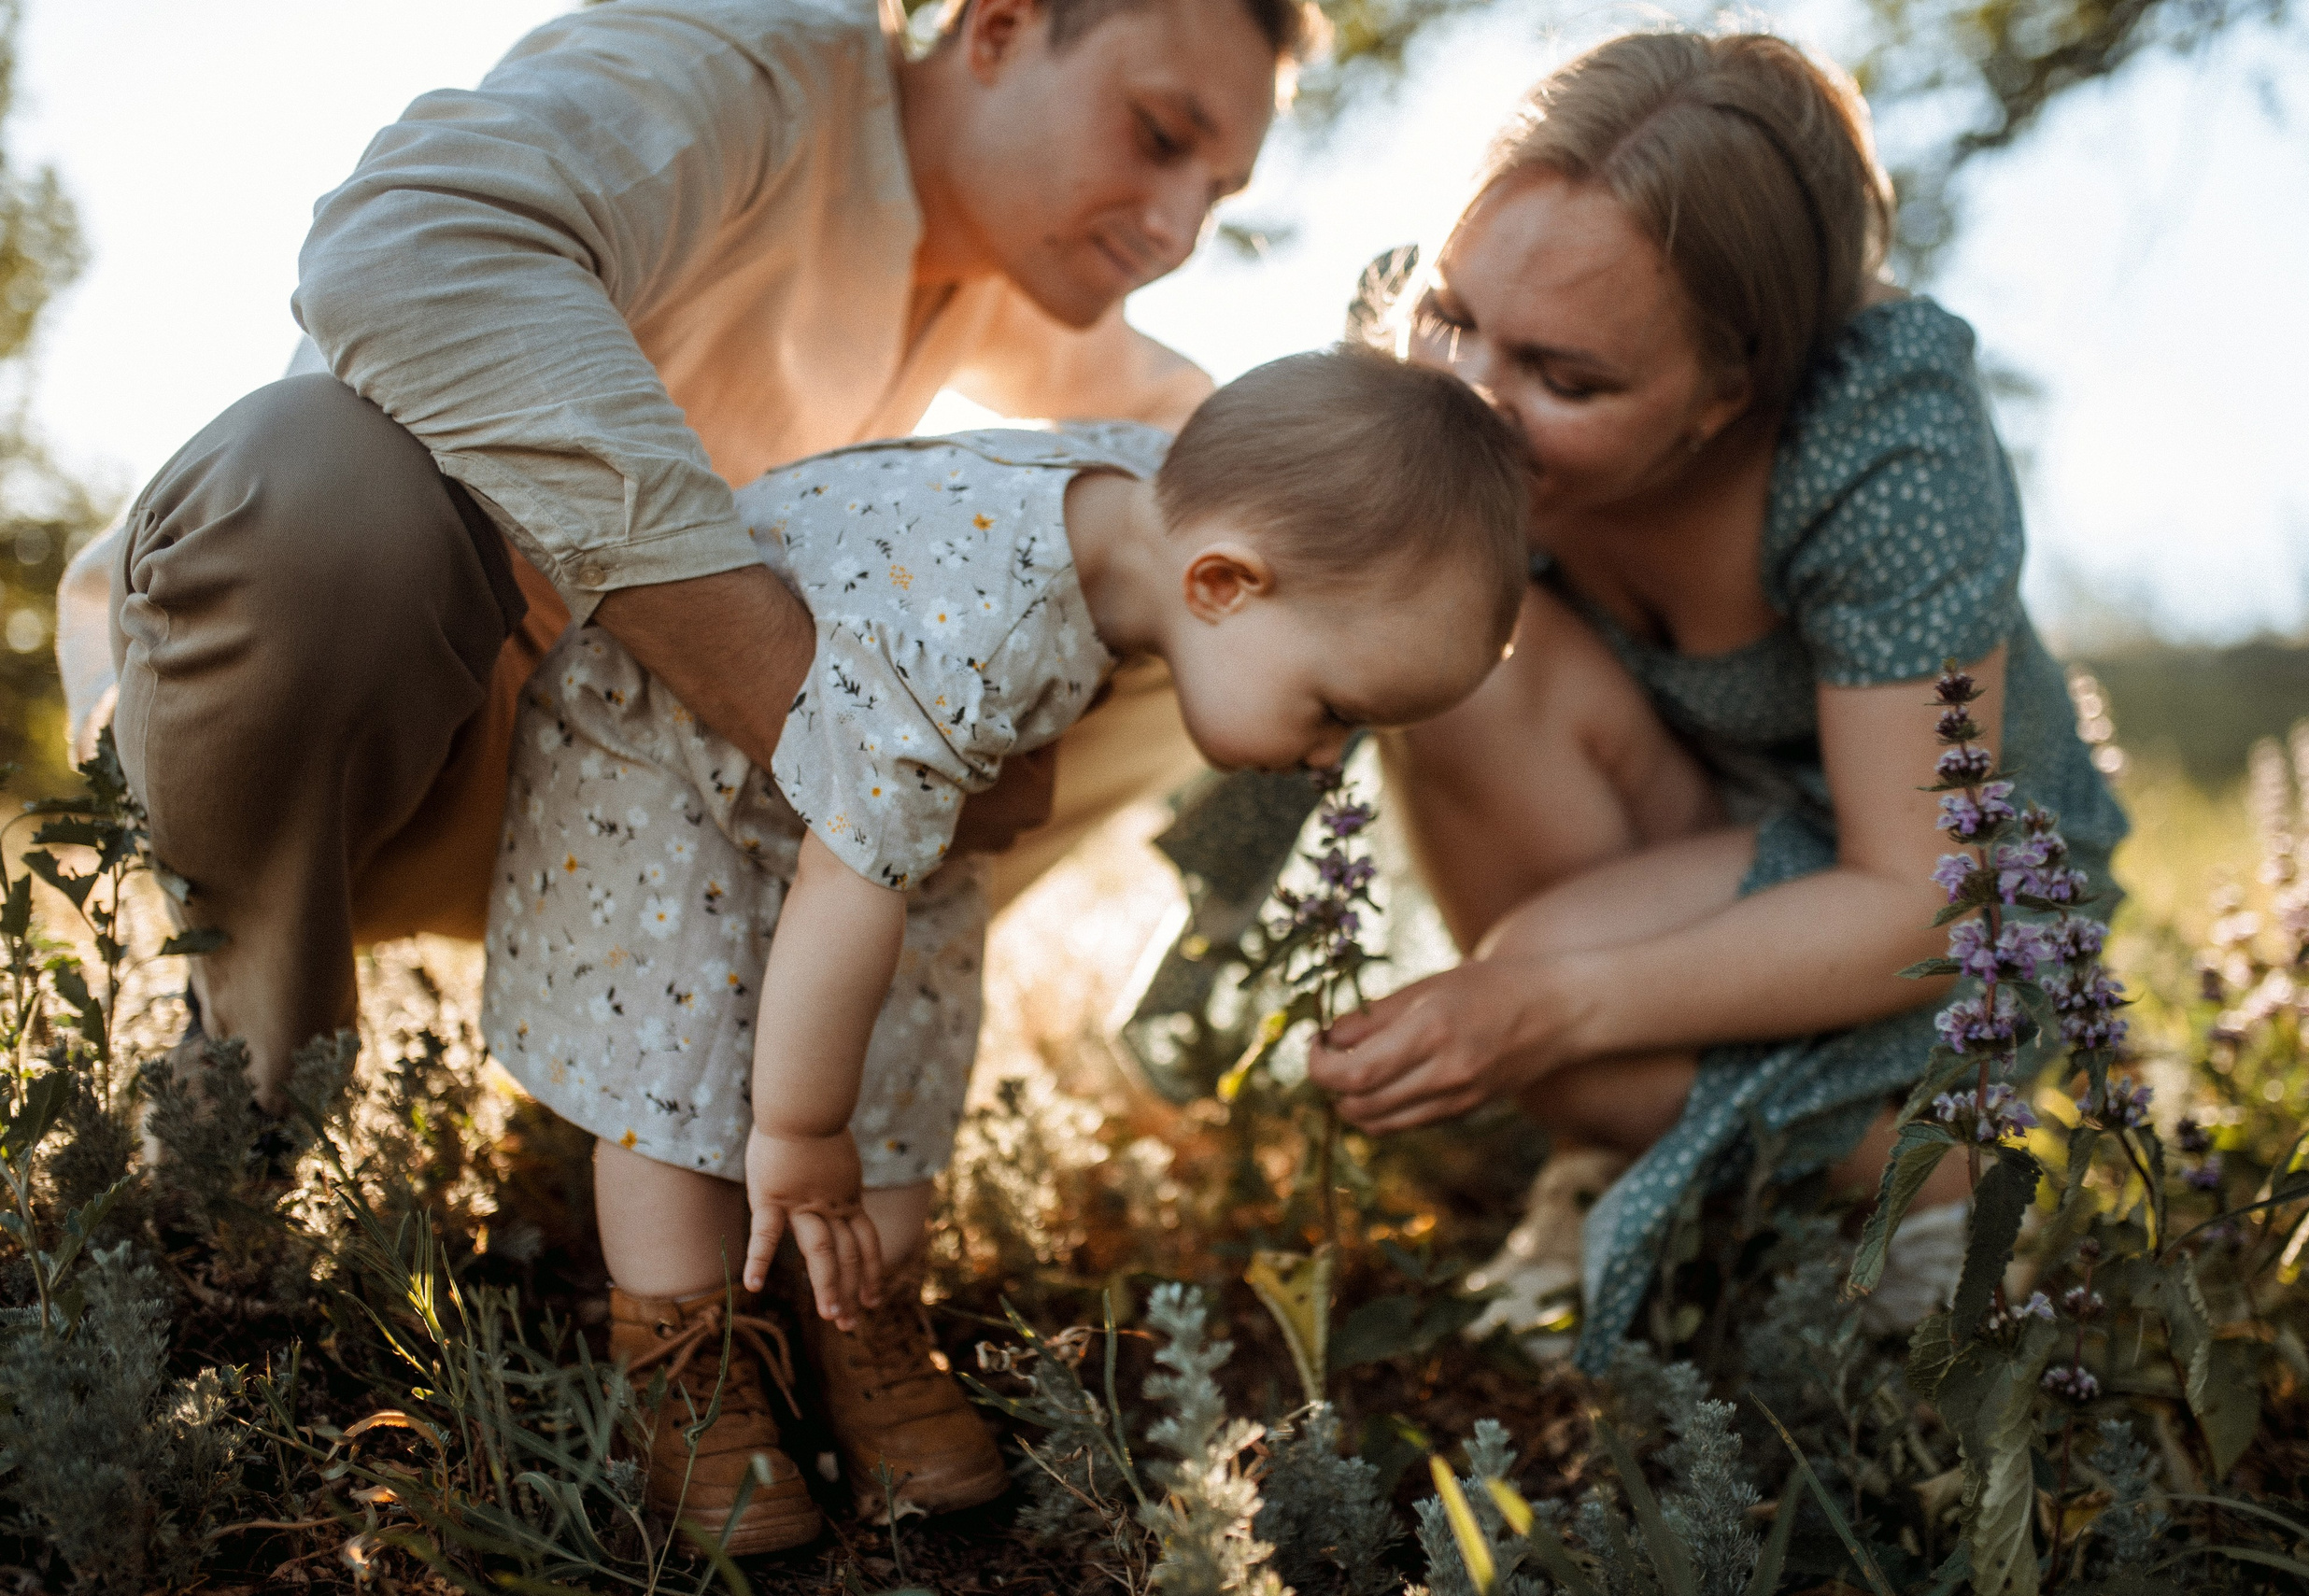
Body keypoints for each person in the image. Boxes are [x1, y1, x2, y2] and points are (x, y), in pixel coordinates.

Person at [53, 0, 1317, 1545]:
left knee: (1213, 584)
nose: (1176, 227)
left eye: (1219, 193)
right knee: (316, 487)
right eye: (1160, 135)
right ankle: (240, 1104)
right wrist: (818, 718)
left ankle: (706, 1087)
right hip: (378, 747)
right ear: (997, 28)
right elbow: (405, 246)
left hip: (644, 827)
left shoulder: (1007, 279)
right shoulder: (744, 63)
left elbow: (1241, 468)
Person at [486, 347, 1528, 1547]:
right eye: (1335, 710)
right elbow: (844, 880)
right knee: (674, 1068)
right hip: (671, 758)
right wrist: (802, 1132)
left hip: (868, 781)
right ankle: (683, 1347)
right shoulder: (975, 632)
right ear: (1222, 584)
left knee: (912, 1023)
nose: (1327, 758)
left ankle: (857, 1312)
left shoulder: (1151, 498)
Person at [1308, 30, 2129, 1371]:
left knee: (1551, 1024)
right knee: (1447, 658)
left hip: (1942, 896)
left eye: (1567, 379)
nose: (1468, 399)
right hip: (1686, 827)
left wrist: (1548, 1002)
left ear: (1727, 388)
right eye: (1454, 318)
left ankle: (1931, 1170)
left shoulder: (1885, 437)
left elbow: (1919, 896)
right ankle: (1639, 1140)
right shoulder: (1433, 354)